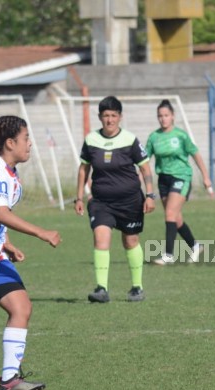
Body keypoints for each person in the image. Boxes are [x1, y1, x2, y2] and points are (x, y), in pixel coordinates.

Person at [0, 116, 61, 390]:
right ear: (10, 143)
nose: (29, 143)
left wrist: (5, 243)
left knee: (21, 307)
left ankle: (9, 380)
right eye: (25, 138)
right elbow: (0, 213)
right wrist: (41, 232)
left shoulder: (9, 171)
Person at [74, 96, 155, 303]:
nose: (109, 120)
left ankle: (137, 287)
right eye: (105, 115)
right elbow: (84, 169)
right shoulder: (91, 140)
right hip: (101, 201)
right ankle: (101, 289)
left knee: (131, 241)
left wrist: (150, 195)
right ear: (99, 117)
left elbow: (145, 168)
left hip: (130, 201)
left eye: (113, 115)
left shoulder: (130, 139)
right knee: (101, 237)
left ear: (120, 117)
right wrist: (79, 197)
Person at [146, 99, 215, 265]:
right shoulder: (153, 137)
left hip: (181, 177)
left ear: (173, 116)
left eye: (166, 115)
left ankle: (168, 255)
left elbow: (196, 154)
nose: (163, 119)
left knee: (170, 213)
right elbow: (144, 160)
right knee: (175, 218)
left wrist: (205, 176)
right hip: (163, 180)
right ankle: (195, 246)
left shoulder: (181, 135)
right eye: (160, 116)